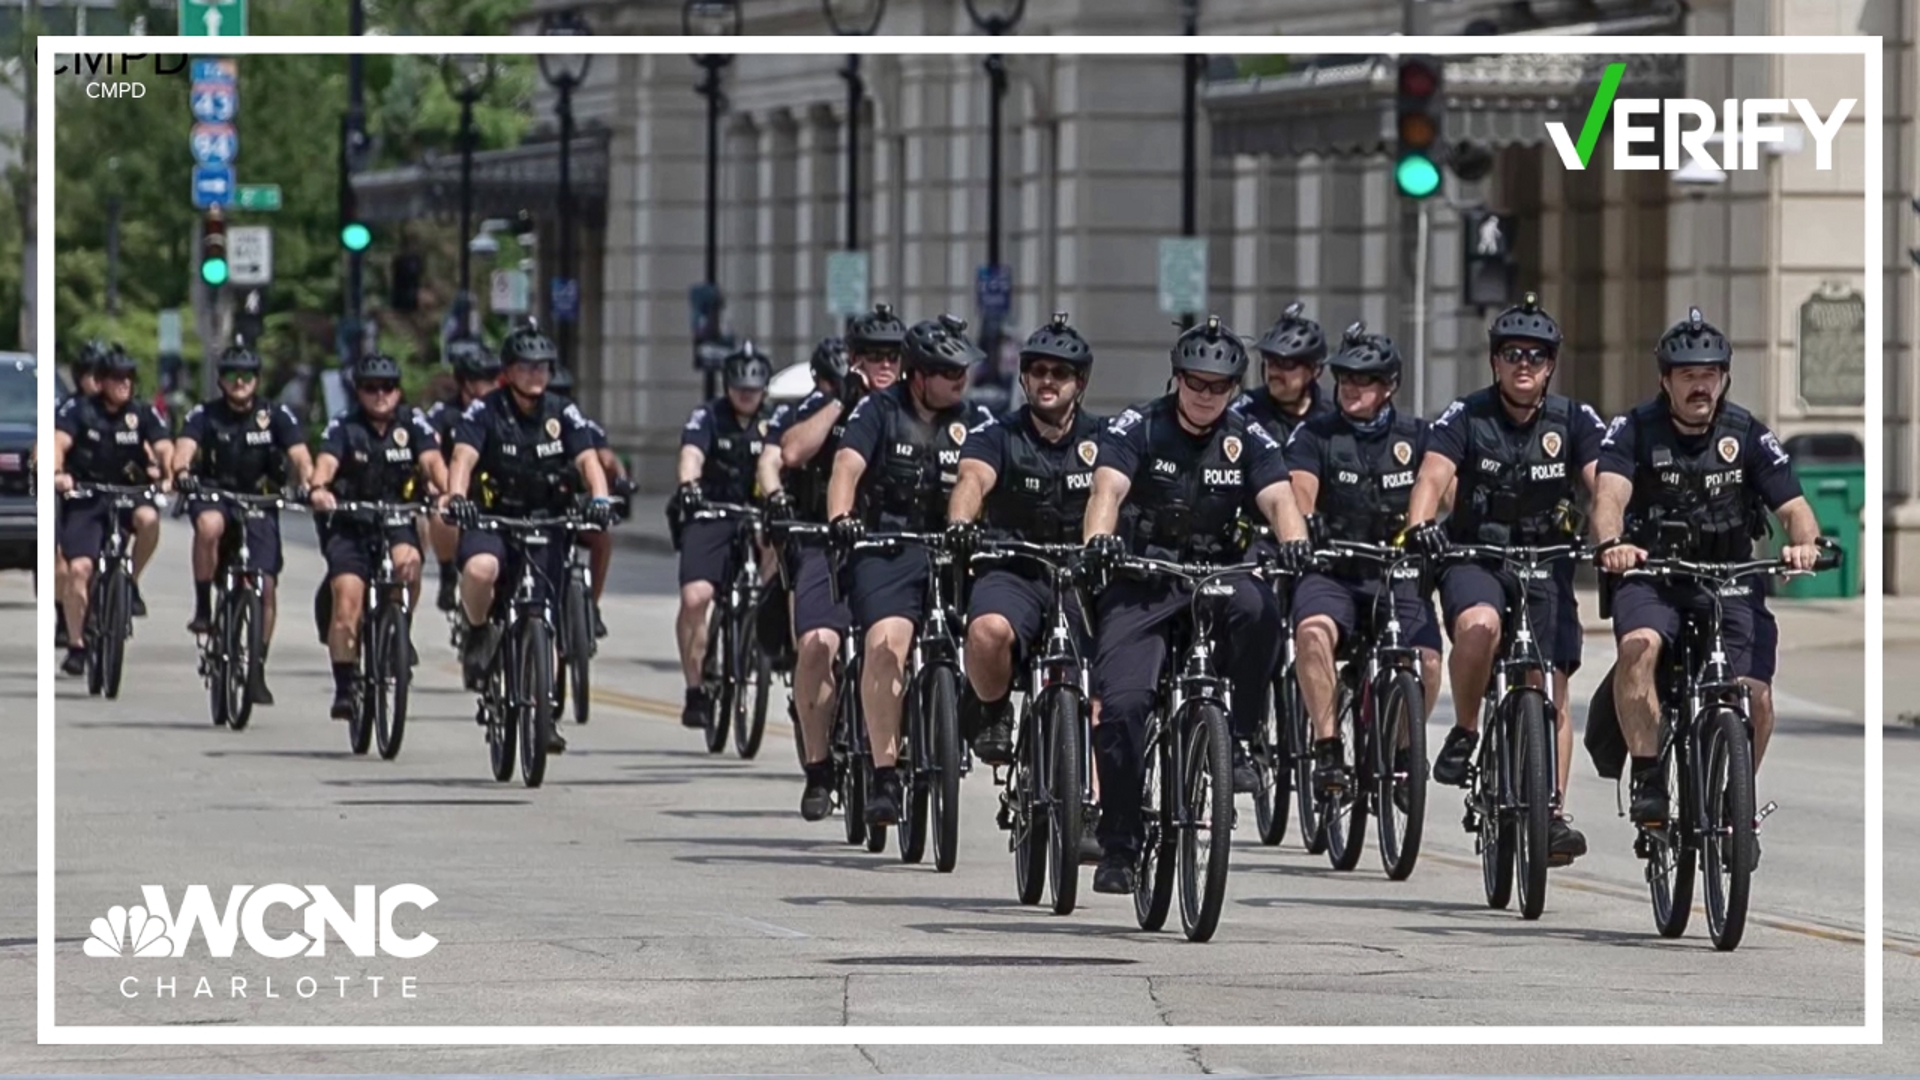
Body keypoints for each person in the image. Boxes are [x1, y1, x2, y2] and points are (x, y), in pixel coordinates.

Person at [1079, 315, 1311, 895]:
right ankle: (1120, 845)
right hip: (1145, 577)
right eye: (1196, 383)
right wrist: (1100, 542)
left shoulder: (1248, 437)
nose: (1206, 395)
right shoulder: (1140, 426)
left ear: (1234, 388)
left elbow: (1281, 499)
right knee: (1126, 707)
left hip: (1218, 575)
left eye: (1219, 386)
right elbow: (1106, 489)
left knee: (1261, 610)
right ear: (1177, 379)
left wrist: (1296, 544)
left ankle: (1243, 738)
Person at [1591, 307, 1822, 827]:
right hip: (1654, 576)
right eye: (1689, 376)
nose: (1701, 386)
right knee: (1638, 648)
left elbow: (1795, 508)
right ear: (1665, 381)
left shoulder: (1748, 434)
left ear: (1724, 378)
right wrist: (1613, 542)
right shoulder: (1633, 430)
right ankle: (1649, 776)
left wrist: (1803, 544)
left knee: (1757, 698)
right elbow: (1609, 495)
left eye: (1710, 375)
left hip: (1730, 579)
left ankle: (1732, 804)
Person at [1404, 293, 1609, 865]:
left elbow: (1604, 485)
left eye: (1537, 355)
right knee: (1478, 627)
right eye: (1513, 353)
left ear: (1551, 364)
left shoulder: (1574, 420)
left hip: (1547, 559)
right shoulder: (1465, 416)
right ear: (1495, 361)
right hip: (1477, 556)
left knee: (1552, 690)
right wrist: (1420, 524)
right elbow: (1432, 476)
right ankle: (1468, 729)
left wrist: (1613, 534)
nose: (1525, 364)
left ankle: (1551, 814)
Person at [826, 314, 996, 827]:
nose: (960, 380)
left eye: (963, 370)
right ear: (917, 374)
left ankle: (985, 718)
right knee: (887, 646)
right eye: (948, 371)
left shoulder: (979, 419)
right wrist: (841, 518)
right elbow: (846, 467)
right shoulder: (878, 411)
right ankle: (884, 774)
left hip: (952, 549)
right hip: (888, 546)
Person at [1287, 323, 1442, 804]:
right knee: (1311, 634)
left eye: (1365, 380)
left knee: (1430, 662)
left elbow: (1444, 488)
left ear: (1389, 386)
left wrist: (1439, 525)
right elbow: (1300, 486)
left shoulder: (1416, 435)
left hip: (1395, 571)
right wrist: (1305, 523)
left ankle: (1402, 754)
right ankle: (1329, 746)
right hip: (1333, 567)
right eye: (1345, 378)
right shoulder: (1316, 434)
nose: (1352, 387)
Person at [444, 325, 614, 754]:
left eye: (542, 366)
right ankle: (479, 630)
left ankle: (545, 713)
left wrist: (599, 499)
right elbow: (462, 457)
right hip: (493, 516)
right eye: (526, 366)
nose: (536, 373)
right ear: (509, 371)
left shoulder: (562, 412)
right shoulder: (485, 411)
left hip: (546, 520)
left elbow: (589, 460)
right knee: (481, 570)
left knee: (544, 618)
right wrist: (456, 497)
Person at [945, 313, 1102, 767]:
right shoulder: (996, 435)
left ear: (1081, 380)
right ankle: (992, 710)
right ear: (1024, 376)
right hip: (1012, 566)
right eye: (1038, 370)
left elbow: (1117, 491)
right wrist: (961, 523)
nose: (1047, 381)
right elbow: (971, 481)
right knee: (986, 631)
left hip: (1079, 575)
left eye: (1060, 372)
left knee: (1106, 686)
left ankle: (1091, 807)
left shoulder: (1105, 439)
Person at [763, 330, 900, 821]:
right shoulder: (825, 404)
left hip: (891, 545)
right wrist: (841, 402)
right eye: (874, 357)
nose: (884, 366)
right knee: (819, 642)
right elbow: (792, 453)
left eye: (893, 357)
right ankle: (819, 767)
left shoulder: (914, 411)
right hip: (827, 540)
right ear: (855, 361)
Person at [169, 342, 314, 706]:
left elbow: (300, 455)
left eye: (246, 376)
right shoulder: (205, 414)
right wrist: (183, 471)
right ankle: (204, 606)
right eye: (232, 376)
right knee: (209, 528)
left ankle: (257, 668)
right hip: (215, 493)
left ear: (257, 380)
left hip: (260, 499)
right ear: (220, 381)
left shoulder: (276, 415)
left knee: (265, 585)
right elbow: (183, 448)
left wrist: (308, 483)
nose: (239, 382)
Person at [308, 353, 449, 720]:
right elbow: (325, 463)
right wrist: (320, 488)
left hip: (396, 518)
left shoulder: (412, 425)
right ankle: (344, 685)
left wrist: (446, 490)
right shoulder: (344, 426)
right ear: (359, 392)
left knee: (410, 565)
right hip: (351, 522)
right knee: (347, 603)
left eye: (388, 387)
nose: (380, 395)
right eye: (371, 388)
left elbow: (433, 461)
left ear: (399, 391)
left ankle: (398, 629)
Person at [671, 342, 775, 732]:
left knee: (780, 557)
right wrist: (689, 486)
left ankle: (769, 628)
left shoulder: (775, 420)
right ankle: (696, 689)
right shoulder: (708, 416)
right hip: (711, 512)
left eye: (754, 389)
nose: (746, 395)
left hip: (759, 514)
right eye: (739, 388)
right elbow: (692, 455)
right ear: (728, 386)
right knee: (696, 596)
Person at [51, 344, 171, 675]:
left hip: (129, 492)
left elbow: (162, 445)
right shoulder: (79, 410)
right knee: (79, 570)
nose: (124, 384)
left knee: (148, 519)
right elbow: (57, 442)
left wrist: (169, 472)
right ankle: (76, 643)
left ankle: (130, 581)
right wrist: (58, 473)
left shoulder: (142, 413)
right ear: (101, 380)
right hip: (88, 496)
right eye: (117, 378)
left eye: (129, 378)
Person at [549, 363, 629, 637]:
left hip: (576, 504)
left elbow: (606, 457)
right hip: (543, 507)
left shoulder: (579, 423)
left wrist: (620, 481)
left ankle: (591, 605)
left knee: (602, 541)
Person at [426, 338, 501, 614]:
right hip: (455, 487)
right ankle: (447, 575)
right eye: (486, 378)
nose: (494, 383)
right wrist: (441, 486)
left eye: (496, 376)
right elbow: (429, 448)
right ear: (466, 382)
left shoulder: (502, 412)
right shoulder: (445, 414)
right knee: (441, 513)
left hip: (495, 491)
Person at [54, 341, 112, 650]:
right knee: (64, 560)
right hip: (76, 493)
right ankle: (66, 619)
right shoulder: (70, 409)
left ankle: (123, 588)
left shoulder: (123, 409)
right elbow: (52, 443)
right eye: (90, 374)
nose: (97, 381)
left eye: (103, 374)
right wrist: (54, 472)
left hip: (113, 494)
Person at [1233, 301, 1334, 443]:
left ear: (1315, 370)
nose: (1274, 371)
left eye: (1286, 364)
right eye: (1270, 360)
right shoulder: (1245, 411)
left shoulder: (1334, 414)